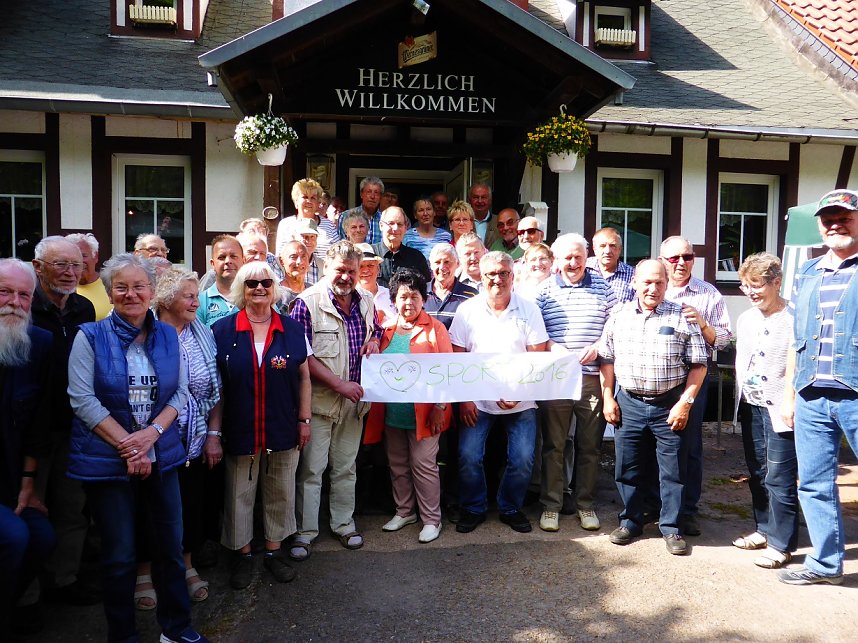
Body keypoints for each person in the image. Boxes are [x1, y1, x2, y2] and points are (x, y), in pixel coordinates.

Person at [66, 253, 207, 643]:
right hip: (108, 462)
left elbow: (179, 391)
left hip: (161, 454)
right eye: (122, 287)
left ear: (151, 291)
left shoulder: (166, 333)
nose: (131, 294)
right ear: (110, 294)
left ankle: (176, 629)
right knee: (120, 555)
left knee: (170, 546)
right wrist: (131, 447)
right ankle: (123, 635)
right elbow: (82, 400)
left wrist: (151, 437)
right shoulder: (88, 337)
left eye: (139, 286)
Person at [212, 261, 311, 590]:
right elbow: (218, 387)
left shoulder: (292, 328)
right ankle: (242, 555)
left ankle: (273, 551)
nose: (259, 288)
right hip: (240, 425)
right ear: (242, 287)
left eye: (266, 283)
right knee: (239, 491)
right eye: (252, 283)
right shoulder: (223, 330)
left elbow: (305, 377)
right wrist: (214, 432)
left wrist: (305, 420)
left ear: (274, 288)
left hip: (283, 423)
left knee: (280, 490)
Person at [599, 259, 708, 556]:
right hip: (629, 403)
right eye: (647, 282)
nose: (653, 288)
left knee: (672, 470)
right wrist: (608, 396)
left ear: (667, 283)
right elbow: (606, 359)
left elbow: (699, 365)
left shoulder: (683, 316)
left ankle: (671, 527)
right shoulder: (619, 315)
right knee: (628, 467)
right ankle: (631, 520)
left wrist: (684, 404)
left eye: (659, 282)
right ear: (634, 282)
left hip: (669, 404)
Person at [778, 188, 858, 586]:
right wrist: (790, 394)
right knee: (813, 482)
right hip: (811, 393)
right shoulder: (808, 272)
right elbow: (798, 338)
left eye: (844, 216)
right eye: (828, 218)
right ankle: (826, 565)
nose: (834, 224)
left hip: (855, 393)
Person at [289, 241, 382, 559]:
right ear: (326, 268)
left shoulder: (367, 299)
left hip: (354, 405)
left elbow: (378, 330)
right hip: (319, 403)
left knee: (346, 468)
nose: (345, 276)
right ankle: (305, 533)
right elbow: (303, 356)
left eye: (352, 271)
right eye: (339, 269)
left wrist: (374, 343)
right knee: (312, 471)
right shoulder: (306, 303)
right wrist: (339, 384)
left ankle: (344, 525)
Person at [449, 251, 548, 534]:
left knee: (523, 458)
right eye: (491, 273)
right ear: (481, 276)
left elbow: (537, 357)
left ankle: (510, 507)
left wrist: (520, 392)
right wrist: (465, 399)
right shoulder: (467, 310)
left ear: (512, 276)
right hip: (477, 401)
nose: (497, 279)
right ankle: (473, 507)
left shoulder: (528, 310)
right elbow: (458, 357)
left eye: (503, 273)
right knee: (468, 456)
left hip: (521, 399)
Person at [29, 237, 97, 606]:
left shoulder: (84, 308)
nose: (71, 273)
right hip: (31, 430)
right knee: (29, 506)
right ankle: (28, 593)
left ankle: (65, 578)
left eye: (76, 265)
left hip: (74, 426)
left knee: (73, 509)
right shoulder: (25, 306)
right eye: (60, 265)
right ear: (39, 267)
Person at [535, 234, 617, 533]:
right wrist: (552, 346)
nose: (572, 263)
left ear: (586, 258)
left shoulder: (604, 289)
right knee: (554, 445)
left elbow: (613, 326)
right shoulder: (543, 292)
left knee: (590, 445)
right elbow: (535, 332)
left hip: (592, 378)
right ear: (556, 259)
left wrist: (598, 344)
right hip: (557, 380)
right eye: (567, 257)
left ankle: (585, 504)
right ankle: (551, 506)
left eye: (578, 257)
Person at [364, 268, 453, 544]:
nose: (409, 302)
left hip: (426, 415)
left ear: (424, 299)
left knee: (424, 465)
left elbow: (447, 371)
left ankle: (431, 519)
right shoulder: (385, 330)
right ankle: (405, 511)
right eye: (403, 296)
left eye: (415, 296)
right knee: (398, 464)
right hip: (392, 414)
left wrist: (441, 406)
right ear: (393, 299)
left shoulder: (435, 329)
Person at [153, 268, 222, 601]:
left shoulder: (203, 333)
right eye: (190, 296)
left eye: (197, 295)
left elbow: (215, 391)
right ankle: (144, 571)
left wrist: (213, 434)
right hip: (153, 441)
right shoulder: (145, 333)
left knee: (190, 505)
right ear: (167, 300)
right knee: (149, 507)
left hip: (193, 441)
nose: (198, 302)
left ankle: (187, 564)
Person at [660, 236, 733, 536]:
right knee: (656, 444)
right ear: (663, 260)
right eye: (674, 258)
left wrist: (704, 324)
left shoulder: (708, 293)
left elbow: (725, 340)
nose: (681, 263)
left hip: (694, 378)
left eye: (687, 257)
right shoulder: (652, 286)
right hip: (657, 378)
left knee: (688, 446)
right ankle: (658, 505)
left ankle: (687, 510)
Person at [0, 258, 55, 638]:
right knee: (13, 537)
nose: (14, 302)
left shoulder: (39, 344)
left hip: (12, 481)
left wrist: (28, 481)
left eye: (24, 295)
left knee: (42, 537)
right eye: (4, 292)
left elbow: (39, 423)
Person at [732, 253, 797, 570]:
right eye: (745, 286)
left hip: (780, 409)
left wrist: (791, 400)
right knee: (757, 471)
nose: (751, 292)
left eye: (756, 285)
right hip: (751, 405)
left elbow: (799, 367)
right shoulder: (746, 319)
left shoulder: (793, 319)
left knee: (780, 476)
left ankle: (783, 544)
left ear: (776, 282)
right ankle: (764, 529)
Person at [276, 178, 339, 259]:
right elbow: (279, 257)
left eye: (313, 198)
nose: (309, 201)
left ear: (318, 202)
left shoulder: (329, 226)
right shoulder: (285, 225)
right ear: (296, 201)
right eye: (305, 197)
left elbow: (338, 256)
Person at [373, 206, 432, 288]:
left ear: (405, 228)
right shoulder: (370, 254)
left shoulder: (416, 258)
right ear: (381, 225)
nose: (395, 228)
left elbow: (425, 289)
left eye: (400, 224)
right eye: (391, 223)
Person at [424, 243, 479, 330]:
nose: (442, 267)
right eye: (437, 262)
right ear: (431, 265)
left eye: (447, 262)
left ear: (457, 264)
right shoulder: (420, 292)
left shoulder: (471, 295)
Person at [198, 234, 243, 327]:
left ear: (244, 261)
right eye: (221, 257)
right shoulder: (200, 301)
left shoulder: (257, 296)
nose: (228, 261)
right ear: (212, 264)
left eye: (233, 256)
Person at [67, 232, 111, 320]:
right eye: (71, 256)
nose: (78, 261)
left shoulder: (111, 284)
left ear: (96, 256)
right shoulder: (61, 290)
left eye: (83, 255)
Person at [586, 227, 635, 304]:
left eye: (612, 246)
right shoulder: (583, 269)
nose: (607, 251)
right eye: (602, 246)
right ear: (594, 249)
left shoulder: (632, 275)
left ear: (620, 249)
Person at [355, 242, 396, 324]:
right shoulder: (348, 298)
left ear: (378, 269)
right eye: (361, 266)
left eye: (370, 265)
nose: (366, 270)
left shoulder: (390, 295)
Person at [338, 176, 384, 244]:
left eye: (376, 193)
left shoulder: (385, 220)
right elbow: (341, 243)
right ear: (361, 194)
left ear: (380, 197)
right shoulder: (346, 216)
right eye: (369, 192)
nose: (372, 196)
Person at [238, 218, 284, 283]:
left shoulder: (271, 258)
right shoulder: (234, 257)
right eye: (252, 231)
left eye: (260, 232)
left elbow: (278, 283)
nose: (257, 234)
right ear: (241, 235)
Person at [277, 239, 310, 311]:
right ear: (281, 261)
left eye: (303, 256)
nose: (299, 262)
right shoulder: (275, 294)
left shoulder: (314, 292)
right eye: (293, 257)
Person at [293, 218, 326, 286]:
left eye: (312, 237)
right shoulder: (285, 263)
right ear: (294, 238)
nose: (309, 241)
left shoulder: (323, 266)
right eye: (304, 236)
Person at [467, 182, 500, 249]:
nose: (480, 201)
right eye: (476, 197)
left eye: (483, 197)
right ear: (469, 200)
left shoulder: (499, 222)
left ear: (490, 200)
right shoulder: (462, 222)